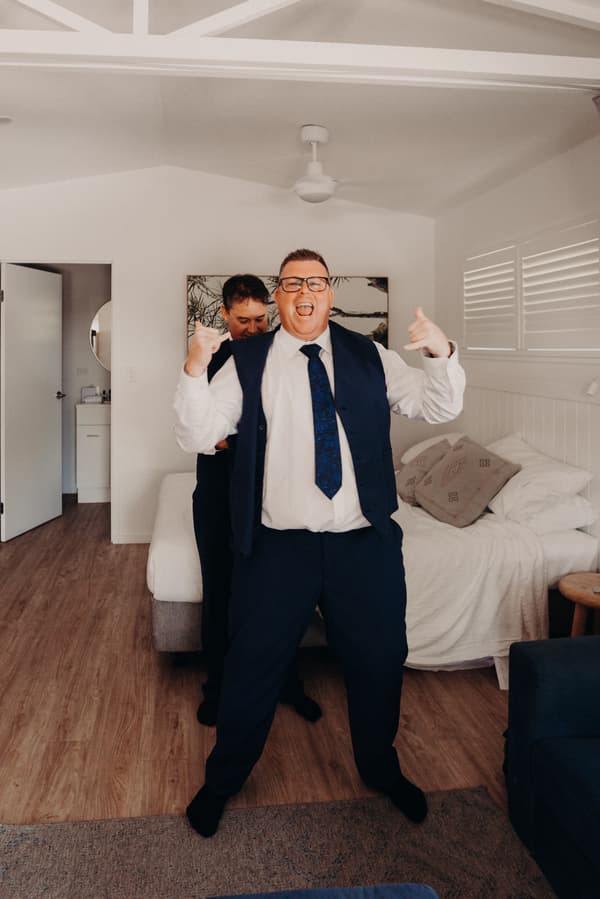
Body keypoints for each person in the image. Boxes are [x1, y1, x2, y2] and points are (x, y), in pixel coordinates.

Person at [174, 248, 466, 837]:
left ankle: (382, 770)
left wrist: (440, 353)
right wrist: (192, 370)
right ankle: (222, 780)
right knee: (253, 665)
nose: (303, 292)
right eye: (291, 283)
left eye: (315, 282)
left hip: (365, 546)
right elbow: (200, 433)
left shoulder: (371, 356)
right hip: (280, 547)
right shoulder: (248, 359)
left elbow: (438, 405)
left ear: (329, 292)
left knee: (379, 662)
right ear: (279, 296)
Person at [192, 273, 322, 727]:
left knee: (274, 597)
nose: (254, 328)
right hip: (216, 496)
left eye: (260, 319)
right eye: (244, 320)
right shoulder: (210, 361)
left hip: (265, 496)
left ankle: (289, 684)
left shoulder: (281, 355)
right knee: (220, 594)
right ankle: (218, 689)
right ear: (225, 314)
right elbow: (206, 436)